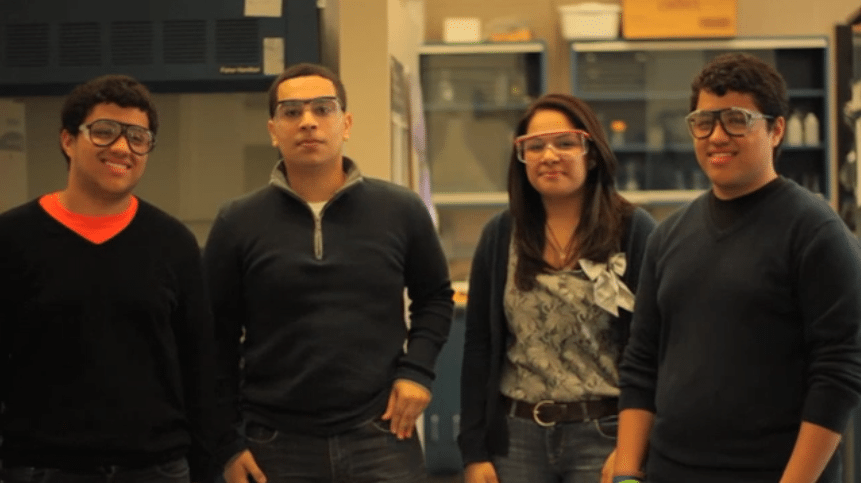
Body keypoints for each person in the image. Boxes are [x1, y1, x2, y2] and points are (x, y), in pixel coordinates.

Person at [613, 53, 861, 483]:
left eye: (736, 120)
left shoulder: (816, 231)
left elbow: (839, 373)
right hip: (671, 471)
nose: (716, 136)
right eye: (703, 121)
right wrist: (628, 472)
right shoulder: (667, 236)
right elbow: (641, 363)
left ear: (776, 128)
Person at [204, 62, 454, 483]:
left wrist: (417, 372)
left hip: (382, 436)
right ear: (273, 129)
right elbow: (214, 338)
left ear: (346, 123)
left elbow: (435, 298)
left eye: (323, 109)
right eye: (291, 112)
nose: (307, 122)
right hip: (273, 445)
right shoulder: (237, 222)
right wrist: (228, 444)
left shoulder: (400, 209)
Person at [0, 75, 217, 482]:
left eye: (139, 137)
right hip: (41, 468)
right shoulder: (12, 239)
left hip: (157, 469)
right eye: (104, 132)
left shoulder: (174, 244)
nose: (122, 147)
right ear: (68, 140)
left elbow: (200, 370)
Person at [458, 93, 656, 483]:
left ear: (592, 153)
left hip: (606, 436)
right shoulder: (501, 235)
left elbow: (655, 350)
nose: (549, 155)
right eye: (535, 146)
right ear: (522, 158)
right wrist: (474, 451)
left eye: (565, 143)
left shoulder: (634, 230)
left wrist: (634, 449)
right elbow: (479, 347)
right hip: (516, 439)